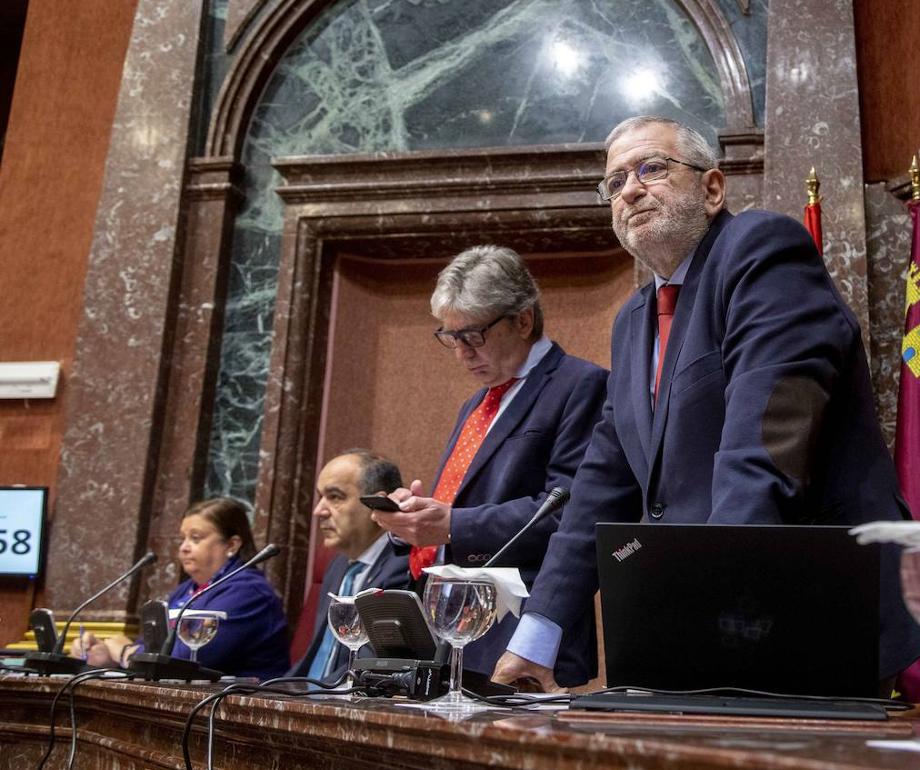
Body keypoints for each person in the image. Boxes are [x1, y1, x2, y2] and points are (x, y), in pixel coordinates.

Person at [492, 116, 920, 691]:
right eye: (616, 181)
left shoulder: (762, 252)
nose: (629, 189)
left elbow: (766, 444)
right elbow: (599, 484)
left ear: (712, 188)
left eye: (651, 168)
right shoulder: (633, 320)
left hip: (807, 617)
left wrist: (706, 616)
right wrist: (538, 633)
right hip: (702, 625)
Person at [371, 245, 608, 687]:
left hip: (519, 635)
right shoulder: (477, 403)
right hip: (449, 631)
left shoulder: (580, 385)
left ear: (523, 320)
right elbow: (462, 502)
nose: (461, 352)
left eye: (472, 335)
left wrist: (455, 525)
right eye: (449, 337)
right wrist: (414, 519)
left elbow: (569, 511)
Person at [75, 498, 289, 679]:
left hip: (244, 712)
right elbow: (151, 646)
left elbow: (181, 662)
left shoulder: (249, 593)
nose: (184, 547)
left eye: (195, 538)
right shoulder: (185, 591)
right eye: (183, 538)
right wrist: (106, 657)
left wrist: (123, 651)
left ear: (232, 545)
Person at [289, 450, 413, 679]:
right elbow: (316, 657)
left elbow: (372, 664)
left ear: (377, 505)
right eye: (320, 497)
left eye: (335, 497)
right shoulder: (338, 566)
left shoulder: (403, 565)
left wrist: (313, 700)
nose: (319, 511)